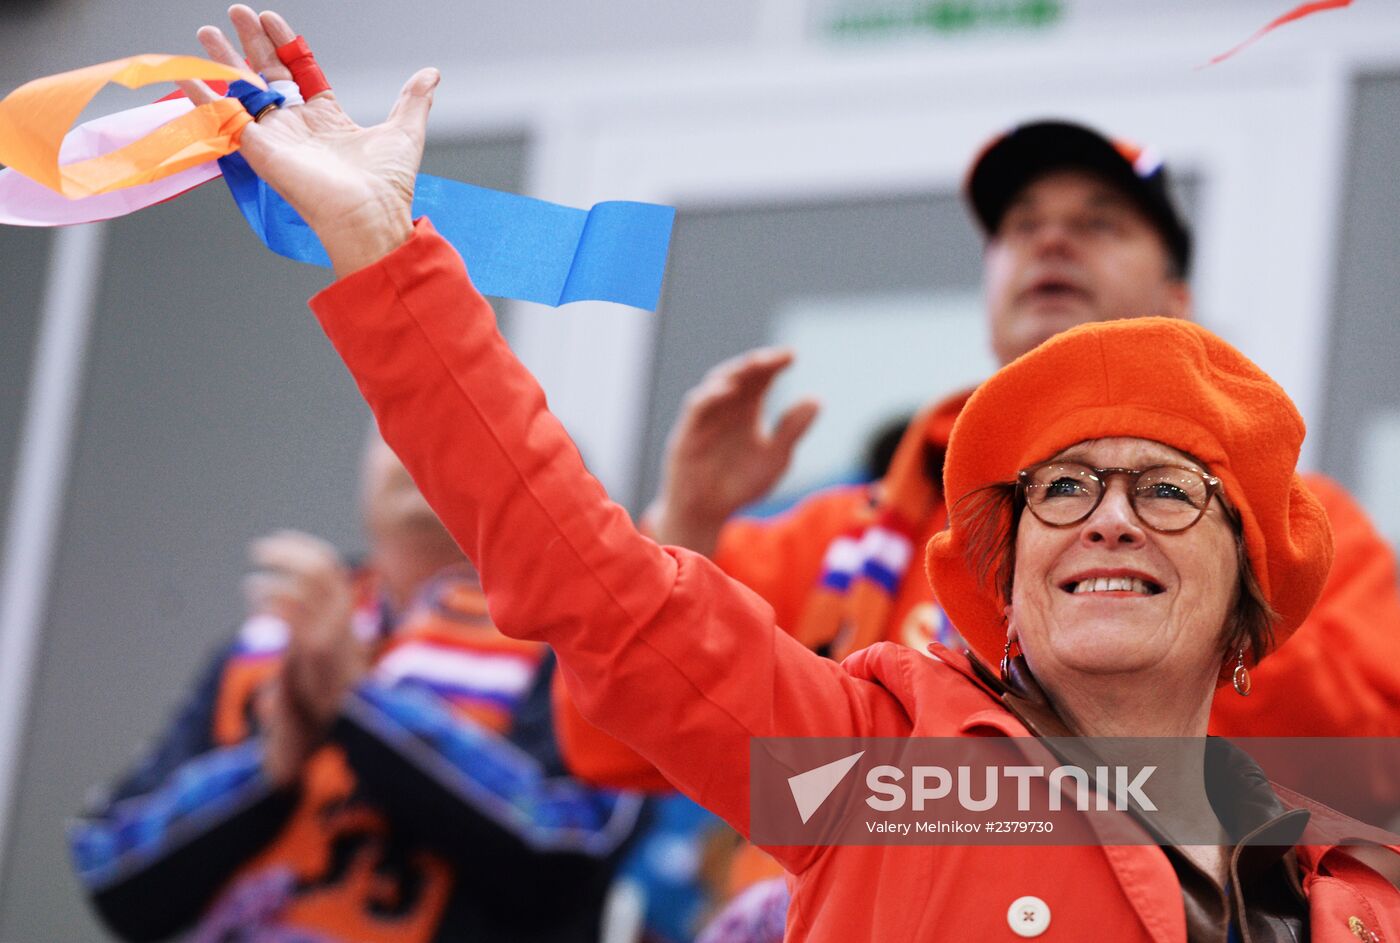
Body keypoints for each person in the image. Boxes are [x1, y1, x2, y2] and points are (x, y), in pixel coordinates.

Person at [174, 11, 1400, 939]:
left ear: (1254, 590)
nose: (1108, 518)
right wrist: (381, 250)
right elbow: (598, 603)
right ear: (995, 579)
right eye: (1058, 489)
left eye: (1169, 487)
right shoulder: (888, 778)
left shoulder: (1340, 891)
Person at [553, 119, 1400, 799]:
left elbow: (1368, 773)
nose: (1053, 243)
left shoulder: (1289, 522)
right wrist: (689, 519)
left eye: (1099, 223)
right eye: (1024, 226)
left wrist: (1212, 581)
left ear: (1177, 300)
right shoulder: (835, 532)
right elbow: (608, 743)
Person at [70, 430, 644, 942]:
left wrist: (361, 705)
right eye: (400, 419)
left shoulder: (583, 644)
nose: (426, 442)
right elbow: (108, 866)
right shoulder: (280, 634)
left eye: (471, 424)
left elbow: (566, 852)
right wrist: (273, 764)